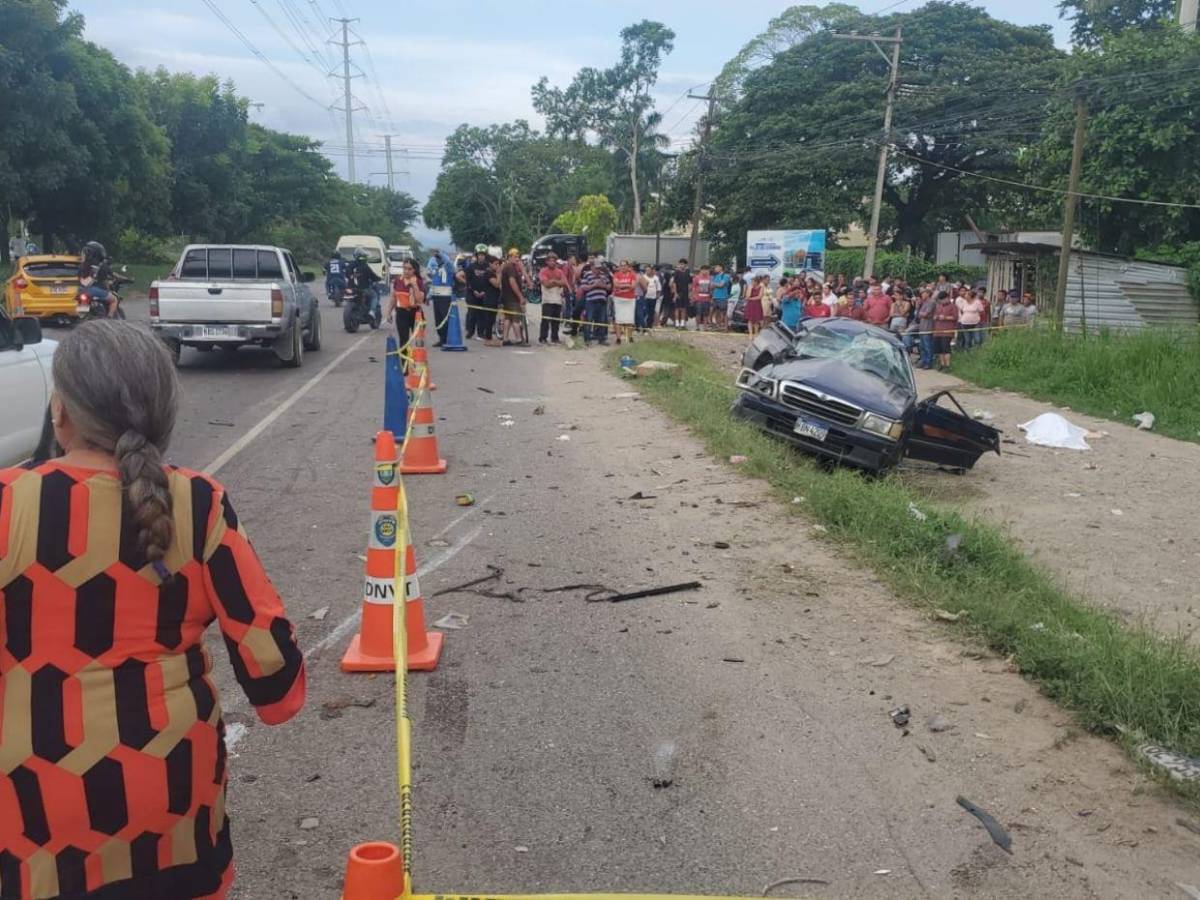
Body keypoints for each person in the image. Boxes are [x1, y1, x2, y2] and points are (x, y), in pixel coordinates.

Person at [0, 320, 306, 899]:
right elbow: (272, 670)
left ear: (59, 411)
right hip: (175, 804)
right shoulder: (197, 501)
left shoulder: (9, 504)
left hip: (33, 815)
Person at [386, 258, 426, 361]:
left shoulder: (419, 281)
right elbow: (393, 297)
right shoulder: (398, 281)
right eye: (405, 268)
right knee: (404, 340)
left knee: (418, 340)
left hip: (416, 313)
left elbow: (420, 300)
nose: (407, 271)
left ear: (414, 270)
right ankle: (405, 365)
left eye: (409, 269)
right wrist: (389, 312)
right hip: (402, 313)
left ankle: (419, 363)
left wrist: (415, 286)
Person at [78, 240, 118, 318]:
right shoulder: (102, 265)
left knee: (81, 314)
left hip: (82, 290)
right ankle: (109, 319)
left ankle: (82, 317)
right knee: (114, 300)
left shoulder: (82, 265)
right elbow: (108, 278)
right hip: (96, 291)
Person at [425, 249, 456, 347]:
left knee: (445, 319)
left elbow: (448, 262)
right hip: (436, 297)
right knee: (438, 319)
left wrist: (440, 254)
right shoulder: (437, 271)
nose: (438, 260)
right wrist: (429, 296)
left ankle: (446, 339)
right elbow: (434, 283)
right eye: (436, 259)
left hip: (445, 298)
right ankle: (441, 339)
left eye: (439, 258)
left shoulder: (448, 268)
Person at [538, 251, 569, 344]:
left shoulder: (560, 271)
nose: (552, 262)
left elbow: (564, 283)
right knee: (545, 320)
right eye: (550, 261)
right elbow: (546, 284)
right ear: (547, 261)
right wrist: (557, 282)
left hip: (557, 299)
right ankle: (543, 337)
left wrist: (553, 281)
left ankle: (555, 337)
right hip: (547, 299)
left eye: (554, 261)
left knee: (556, 321)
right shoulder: (543, 271)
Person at [346, 247, 381, 326]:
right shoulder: (365, 266)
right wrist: (379, 278)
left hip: (351, 289)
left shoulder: (350, 265)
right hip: (363, 289)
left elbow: (346, 275)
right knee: (374, 296)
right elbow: (373, 277)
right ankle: (372, 312)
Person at [499, 249, 527, 346]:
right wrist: (520, 297)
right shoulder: (510, 267)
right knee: (516, 319)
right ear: (509, 257)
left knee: (508, 318)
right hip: (512, 297)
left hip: (506, 297)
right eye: (515, 257)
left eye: (518, 257)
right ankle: (519, 340)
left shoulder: (509, 267)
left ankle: (505, 339)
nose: (517, 259)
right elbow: (512, 282)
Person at [580, 259, 611, 346]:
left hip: (602, 300)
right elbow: (583, 287)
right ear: (592, 267)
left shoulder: (604, 275)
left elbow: (609, 287)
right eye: (596, 268)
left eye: (599, 268)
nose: (598, 270)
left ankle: (601, 339)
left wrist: (602, 285)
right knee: (589, 319)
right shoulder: (587, 275)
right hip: (591, 300)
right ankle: (587, 339)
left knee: (602, 320)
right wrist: (594, 285)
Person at [611, 259, 638, 344]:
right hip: (619, 299)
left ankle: (630, 337)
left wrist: (622, 286)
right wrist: (627, 285)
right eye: (621, 265)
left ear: (628, 266)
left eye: (624, 265)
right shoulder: (616, 274)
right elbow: (616, 285)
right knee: (618, 319)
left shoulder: (632, 275)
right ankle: (618, 338)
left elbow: (633, 286)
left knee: (630, 319)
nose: (623, 267)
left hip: (630, 299)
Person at [933, 290, 958, 370]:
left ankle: (947, 365)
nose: (941, 301)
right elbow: (934, 315)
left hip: (947, 330)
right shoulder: (938, 306)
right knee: (939, 349)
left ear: (947, 298)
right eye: (940, 300)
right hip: (938, 330)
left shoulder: (953, 306)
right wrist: (936, 317)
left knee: (945, 348)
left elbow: (955, 317)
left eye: (943, 299)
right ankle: (942, 364)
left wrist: (945, 317)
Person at [915, 289, 937, 369]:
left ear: (928, 294)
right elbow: (918, 314)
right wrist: (918, 307)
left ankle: (929, 362)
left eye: (923, 293)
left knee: (928, 346)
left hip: (928, 327)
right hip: (922, 327)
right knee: (922, 346)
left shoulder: (931, 302)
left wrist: (922, 314)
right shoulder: (923, 303)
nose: (921, 295)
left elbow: (926, 313)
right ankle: (923, 361)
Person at [638, 264, 661, 332]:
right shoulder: (643, 277)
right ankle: (643, 326)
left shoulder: (656, 278)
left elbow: (658, 287)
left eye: (649, 270)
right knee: (645, 312)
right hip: (645, 297)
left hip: (653, 297)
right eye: (646, 270)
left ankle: (649, 326)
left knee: (651, 312)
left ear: (651, 271)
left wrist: (658, 295)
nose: (647, 271)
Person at [669, 259, 691, 328]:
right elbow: (674, 283)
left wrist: (690, 293)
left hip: (685, 293)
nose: (682, 265)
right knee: (677, 308)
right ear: (679, 265)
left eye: (683, 264)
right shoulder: (676, 272)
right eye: (681, 264)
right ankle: (677, 323)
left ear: (686, 265)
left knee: (684, 308)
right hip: (678, 292)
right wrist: (675, 293)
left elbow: (689, 283)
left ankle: (682, 323)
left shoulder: (688, 272)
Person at [710, 264, 732, 330]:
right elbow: (711, 287)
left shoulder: (726, 276)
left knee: (724, 313)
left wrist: (714, 284)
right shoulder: (715, 276)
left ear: (721, 268)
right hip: (715, 297)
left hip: (723, 297)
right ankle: (718, 326)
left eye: (716, 267)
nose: (715, 268)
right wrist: (715, 285)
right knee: (716, 312)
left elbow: (721, 285)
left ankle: (725, 327)